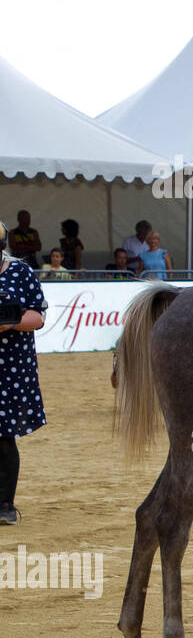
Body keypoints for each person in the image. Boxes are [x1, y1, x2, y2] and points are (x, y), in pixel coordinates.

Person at [0, 220, 48, 524]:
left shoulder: (21, 272)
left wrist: (10, 323)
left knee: (3, 438)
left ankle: (5, 504)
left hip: (11, 369)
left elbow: (38, 316)